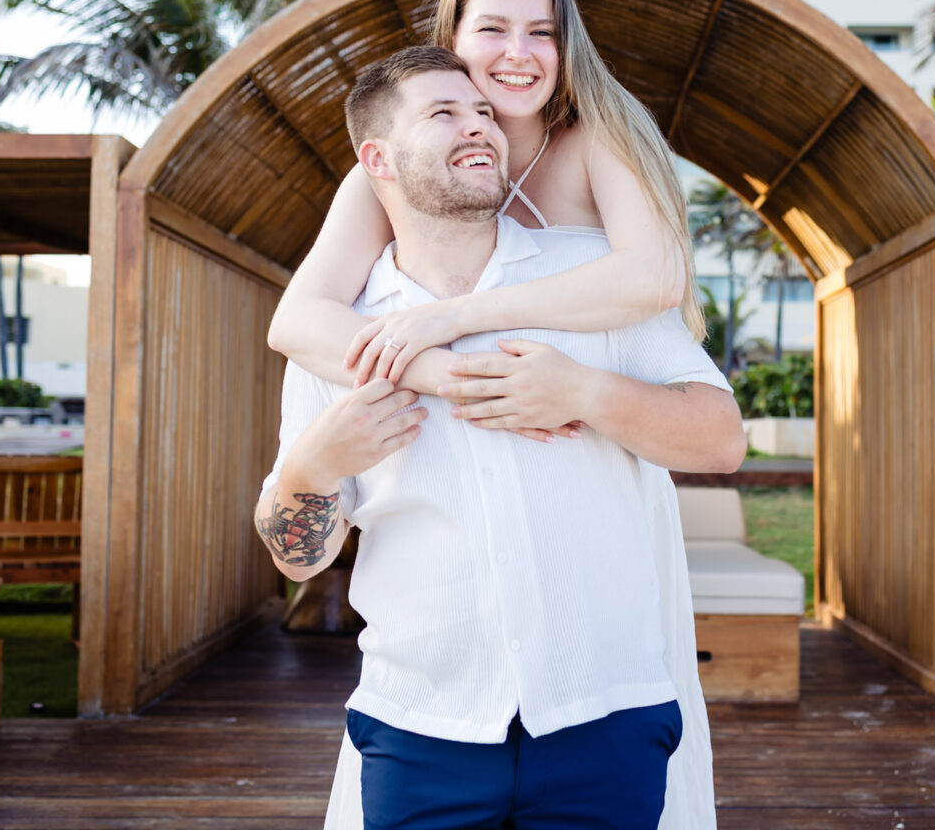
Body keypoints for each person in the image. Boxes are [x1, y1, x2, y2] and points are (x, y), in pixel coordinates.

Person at [256, 46, 745, 829]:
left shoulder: (592, 280)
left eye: (484, 111)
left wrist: (583, 391)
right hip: (420, 728)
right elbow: (298, 556)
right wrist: (315, 464)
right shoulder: (341, 333)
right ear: (375, 158)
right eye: (444, 113)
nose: (480, 124)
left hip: (605, 715)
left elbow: (721, 440)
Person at [266, 0, 701, 426]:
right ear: (452, 39)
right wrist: (456, 377)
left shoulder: (597, 141)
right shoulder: (397, 167)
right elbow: (297, 320)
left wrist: (453, 317)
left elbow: (657, 277)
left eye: (542, 33)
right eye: (493, 28)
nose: (519, 53)